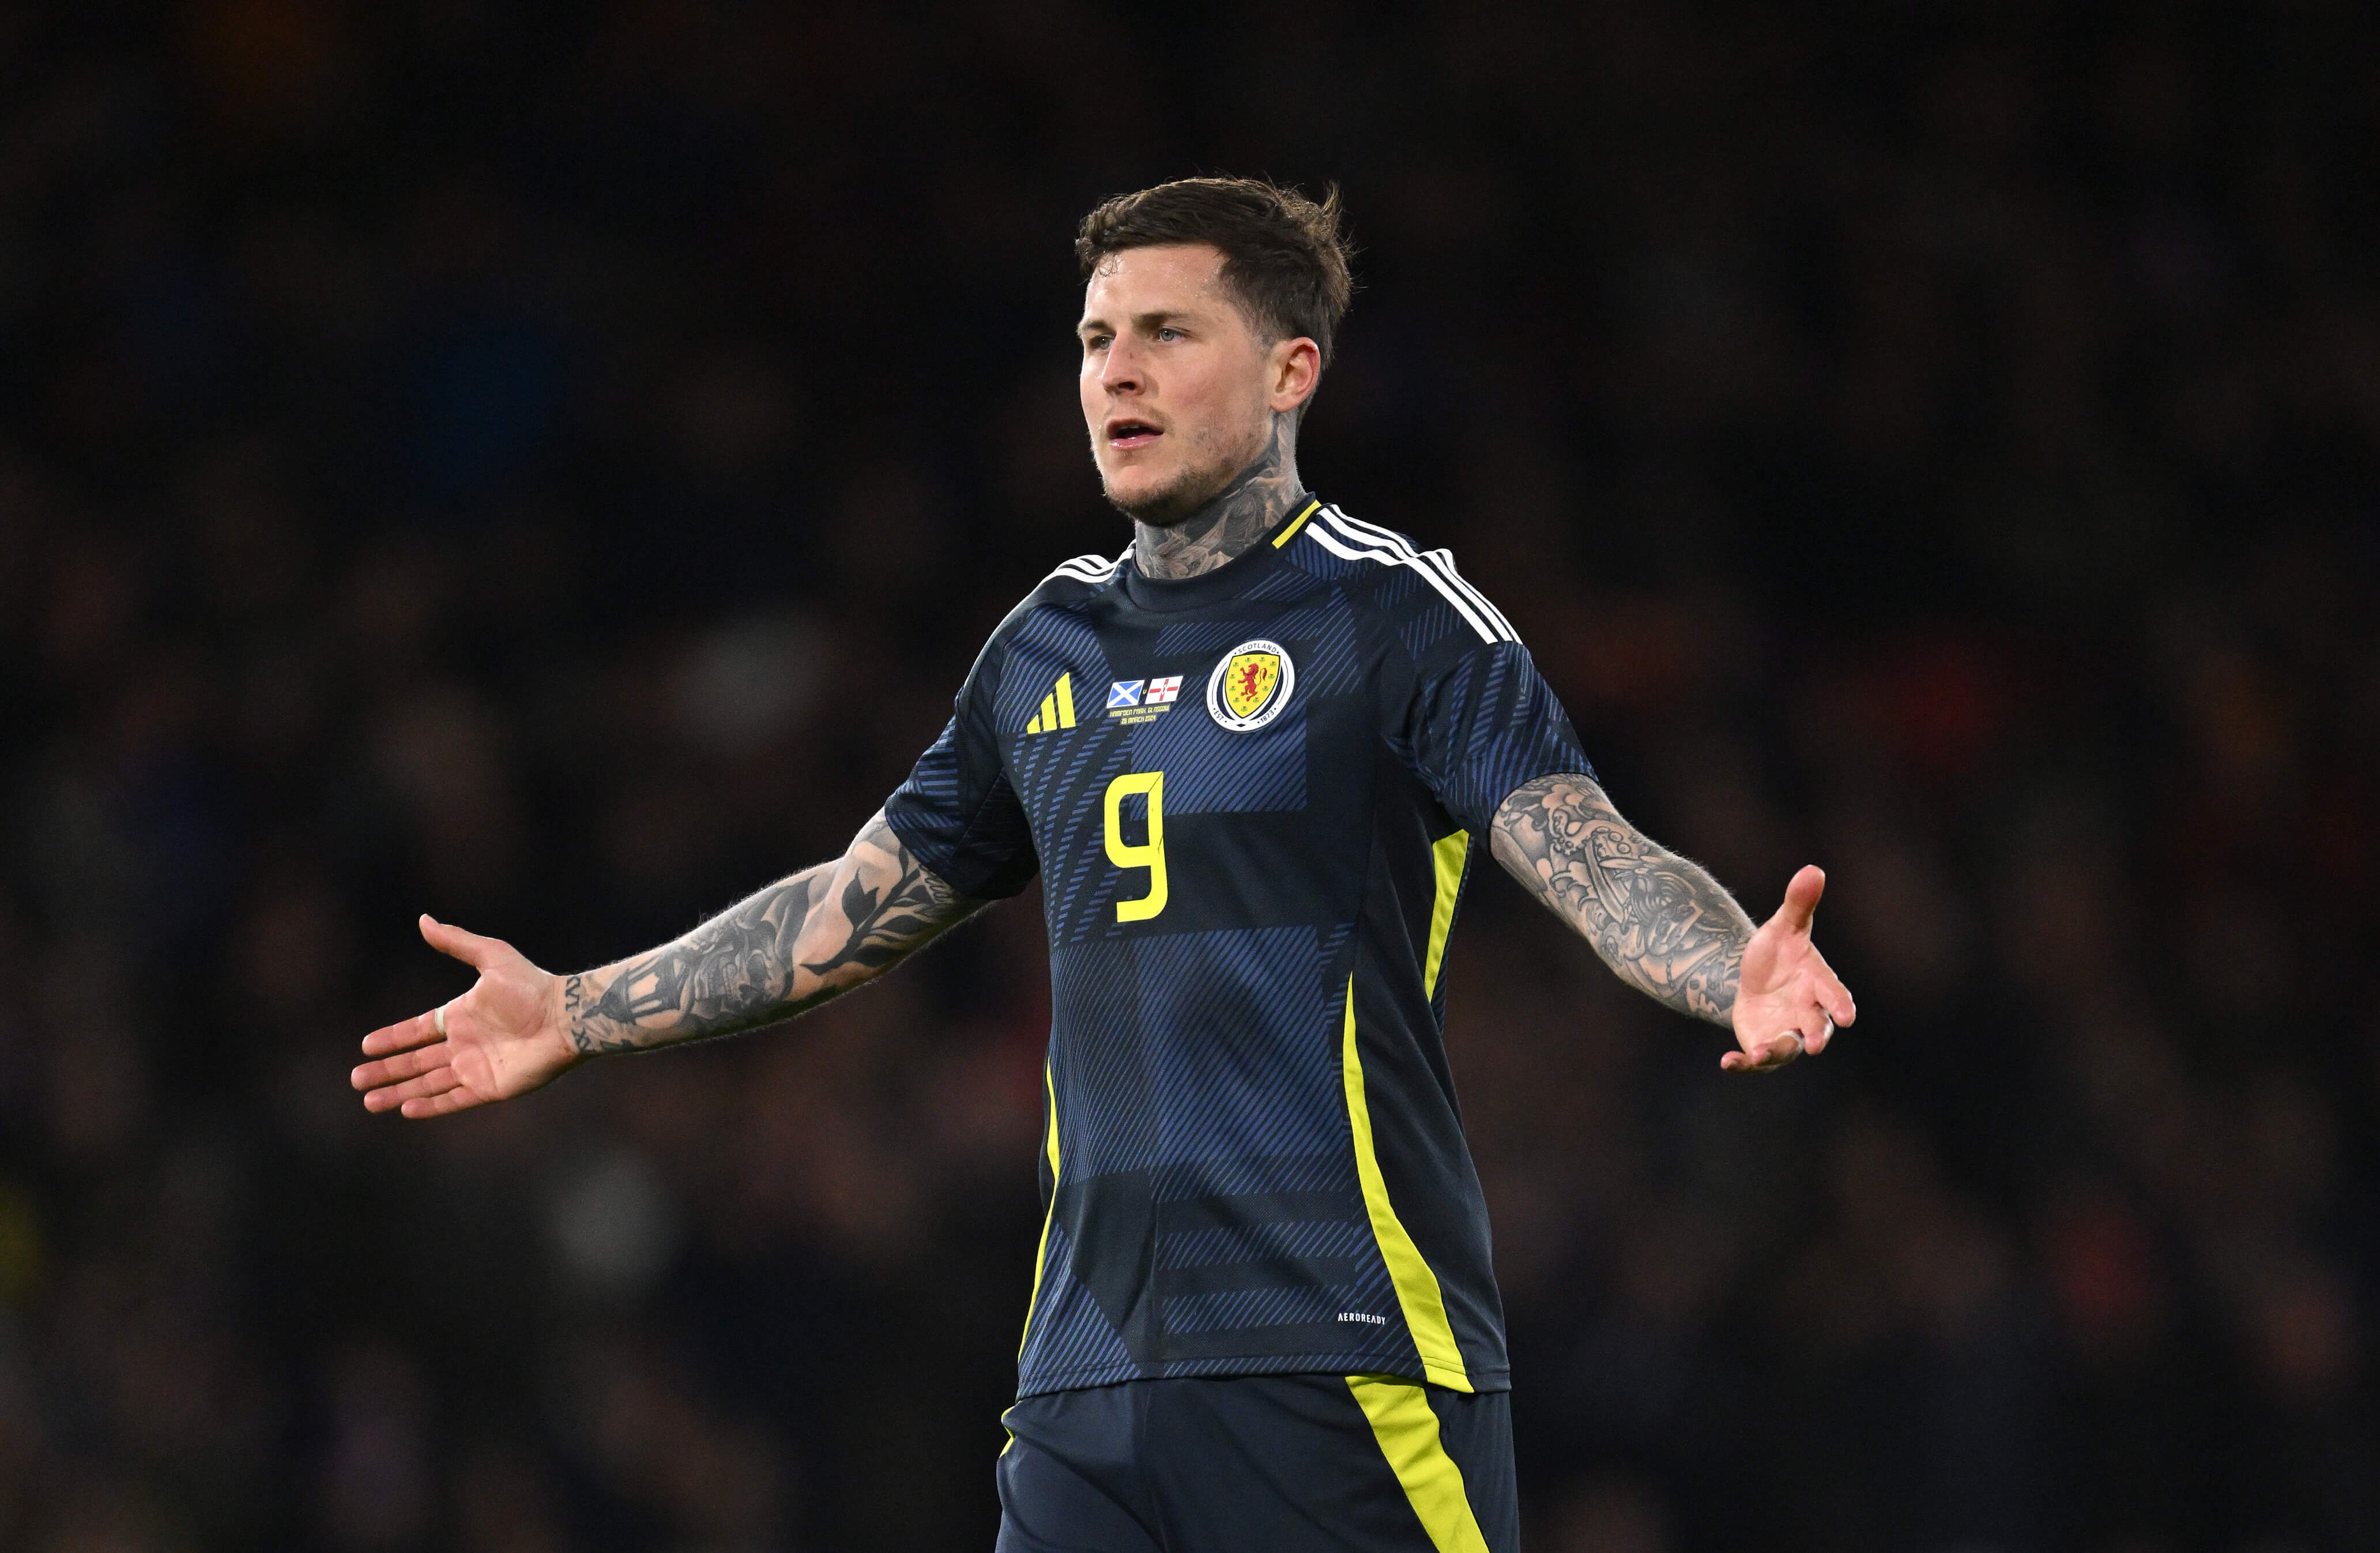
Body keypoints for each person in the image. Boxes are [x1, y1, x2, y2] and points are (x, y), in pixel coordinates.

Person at [353, 176, 1856, 1553]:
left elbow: (1582, 848)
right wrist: (577, 1010)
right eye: (1093, 338)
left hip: (1337, 1358)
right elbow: (846, 909)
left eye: (1165, 333)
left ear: (1289, 374)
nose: (1114, 372)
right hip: (1089, 1388)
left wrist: (1726, 962)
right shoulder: (1043, 650)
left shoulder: (1392, 620)